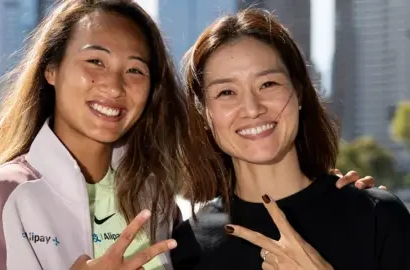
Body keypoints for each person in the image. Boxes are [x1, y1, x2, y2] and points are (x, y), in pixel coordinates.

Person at [0, 1, 380, 270]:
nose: (114, 85)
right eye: (95, 62)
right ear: (50, 70)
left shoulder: (157, 208)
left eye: (135, 70)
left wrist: (336, 203)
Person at [171, 8, 410, 270]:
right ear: (204, 113)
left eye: (268, 84)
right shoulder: (186, 245)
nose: (252, 109)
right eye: (227, 92)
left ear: (298, 92)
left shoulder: (377, 217)